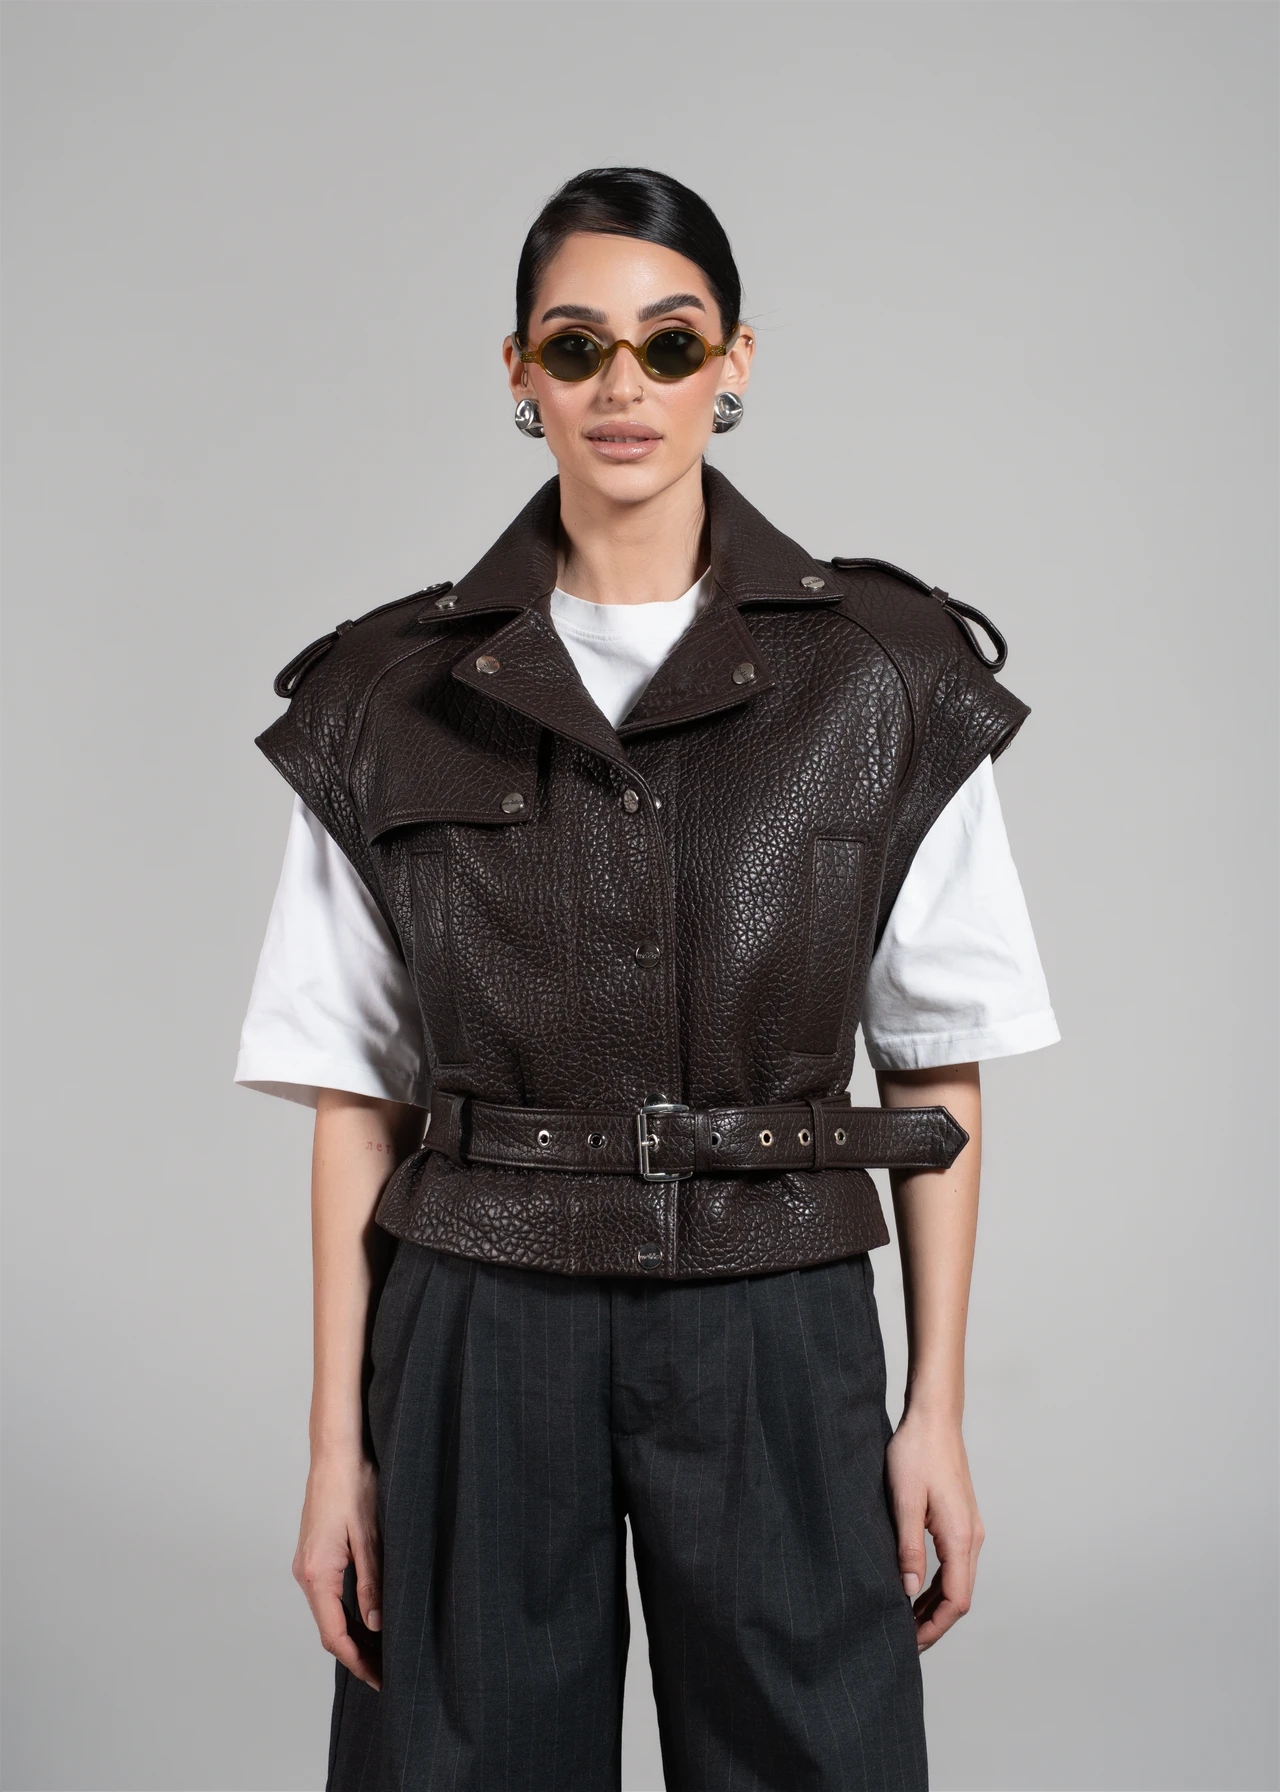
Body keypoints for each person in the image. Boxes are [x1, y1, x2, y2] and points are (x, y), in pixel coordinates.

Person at [235, 166, 1059, 1792]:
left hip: (776, 1301)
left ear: (735, 363)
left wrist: (936, 1409)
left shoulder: (883, 679)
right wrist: (337, 1448)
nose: (625, 386)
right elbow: (352, 1098)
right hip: (478, 1304)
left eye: (670, 344)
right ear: (520, 372)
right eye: (578, 345)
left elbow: (939, 1066)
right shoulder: (384, 695)